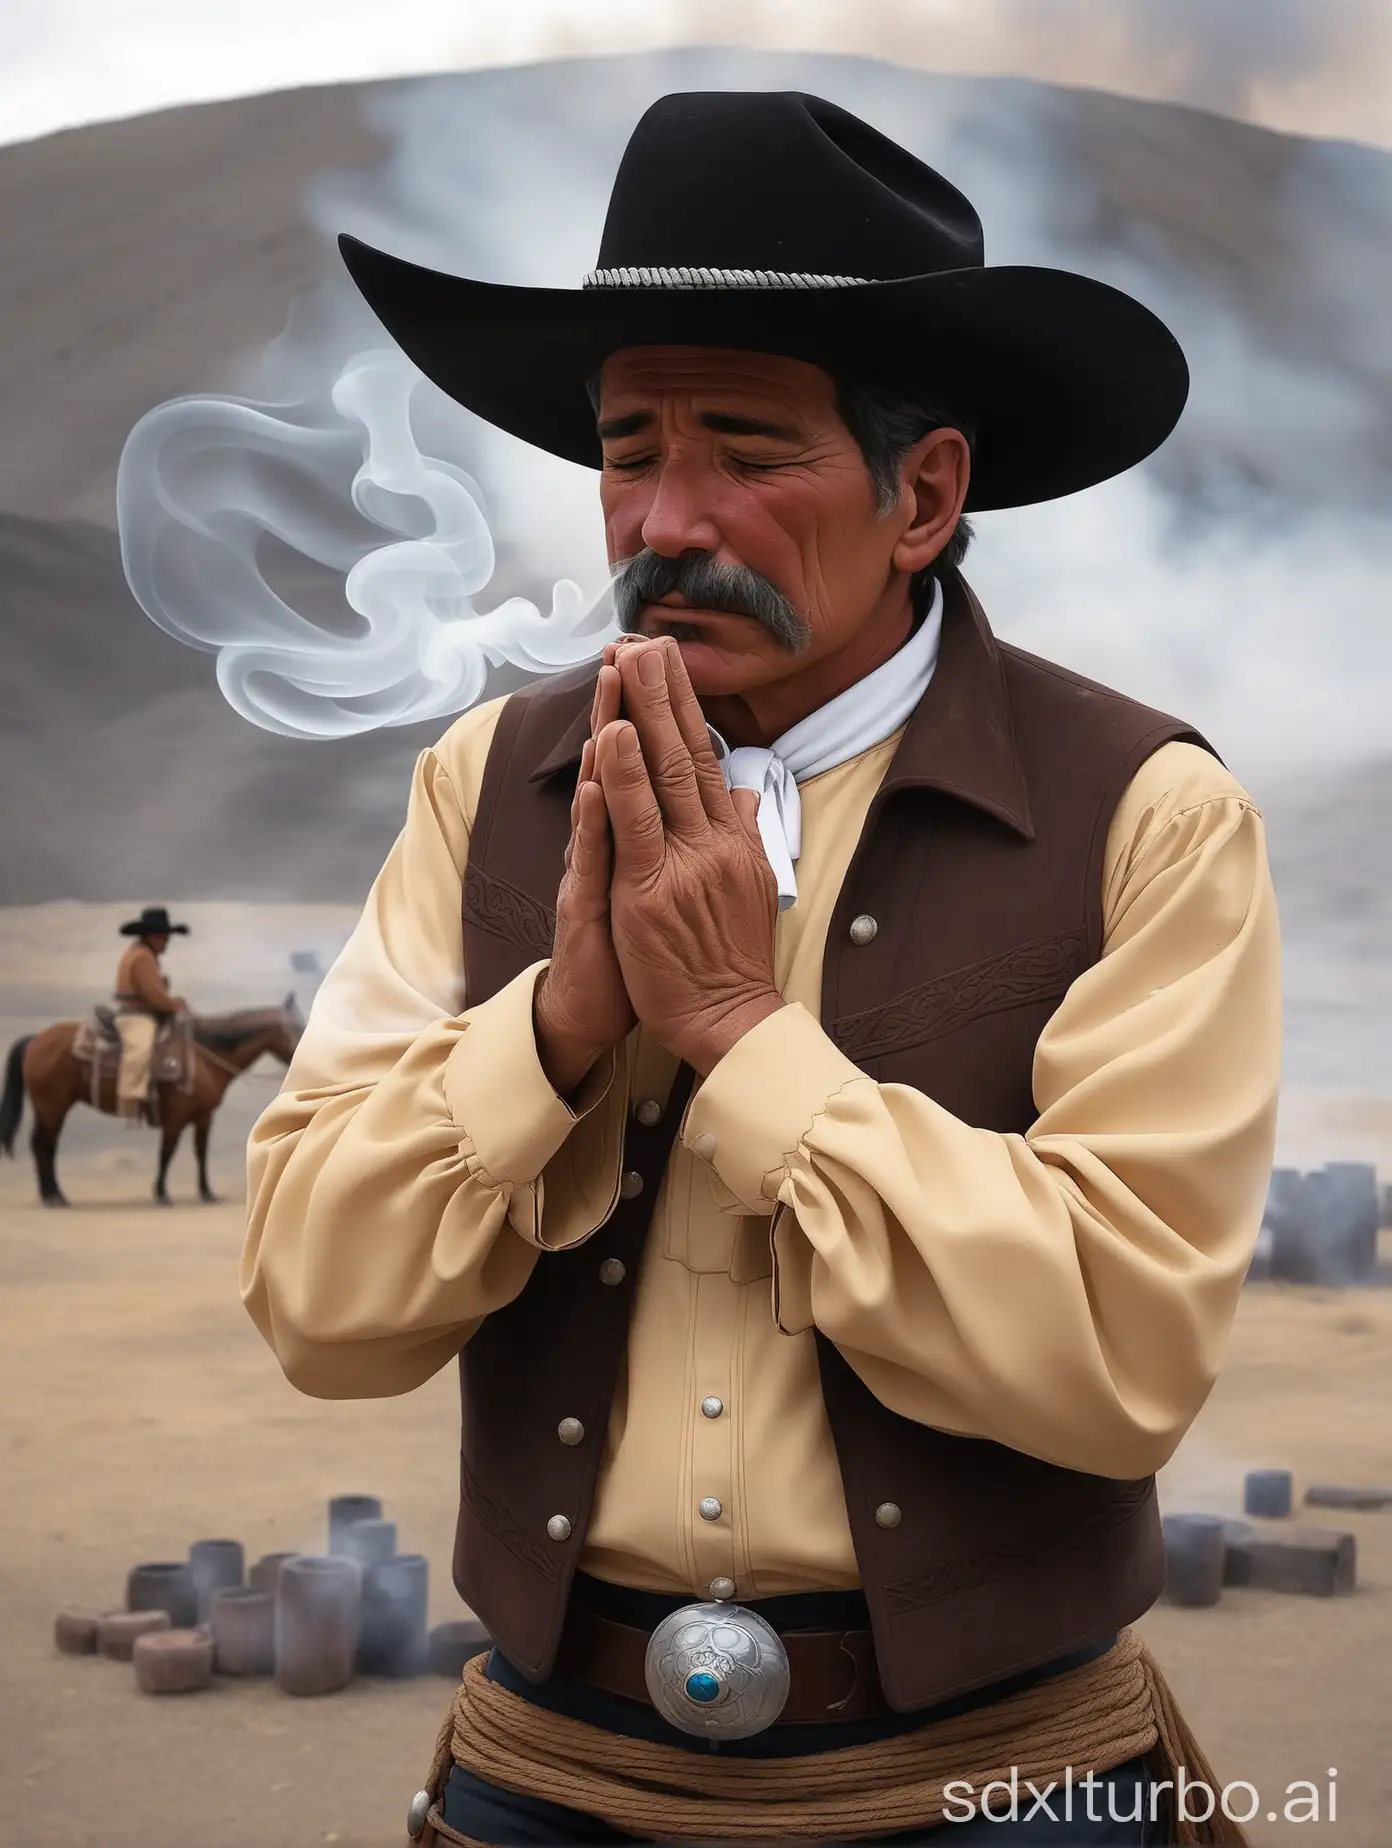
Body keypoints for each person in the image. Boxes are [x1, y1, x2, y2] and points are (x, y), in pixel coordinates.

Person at [242, 92, 1278, 1846]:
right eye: (629, 448)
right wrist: (562, 1025)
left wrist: (737, 1033)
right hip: (555, 1770)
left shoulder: (1144, 813)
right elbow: (319, 1307)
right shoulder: (486, 785)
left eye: (745, 446)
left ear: (923, 493)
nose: (666, 514)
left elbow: (1118, 1351)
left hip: (995, 1782)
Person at [113, 905, 190, 1124]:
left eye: (167, 937)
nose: (166, 941)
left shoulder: (144, 953)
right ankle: (130, 1101)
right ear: (151, 936)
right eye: (163, 937)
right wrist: (175, 1005)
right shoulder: (141, 957)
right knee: (141, 1048)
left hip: (145, 1011)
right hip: (136, 1016)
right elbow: (153, 995)